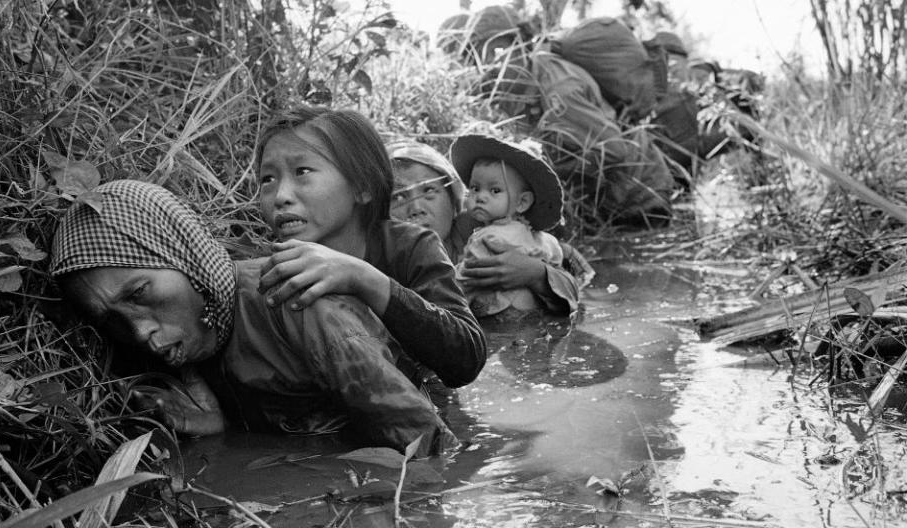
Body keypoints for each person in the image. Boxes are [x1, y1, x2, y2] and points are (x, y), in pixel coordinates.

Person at [49, 179, 456, 456]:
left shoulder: (299, 306)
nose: (139, 332)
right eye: (111, 319)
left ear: (184, 255)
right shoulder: (178, 345)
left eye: (140, 293)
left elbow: (432, 450)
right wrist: (221, 427)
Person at [254, 106, 485, 393]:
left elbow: (467, 358)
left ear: (362, 187)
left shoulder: (410, 247)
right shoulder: (267, 269)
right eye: (268, 179)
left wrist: (365, 279)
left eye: (302, 171)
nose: (281, 196)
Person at [388, 140, 587, 317]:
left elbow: (574, 274)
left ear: (453, 200)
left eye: (429, 191)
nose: (415, 209)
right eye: (398, 197)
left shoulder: (491, 233)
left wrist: (537, 273)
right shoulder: (385, 262)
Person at [449, 134, 566, 318]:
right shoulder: (545, 240)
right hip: (532, 315)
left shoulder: (485, 238)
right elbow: (557, 261)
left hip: (494, 316)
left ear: (522, 202)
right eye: (475, 188)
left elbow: (464, 281)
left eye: (494, 190)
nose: (480, 197)